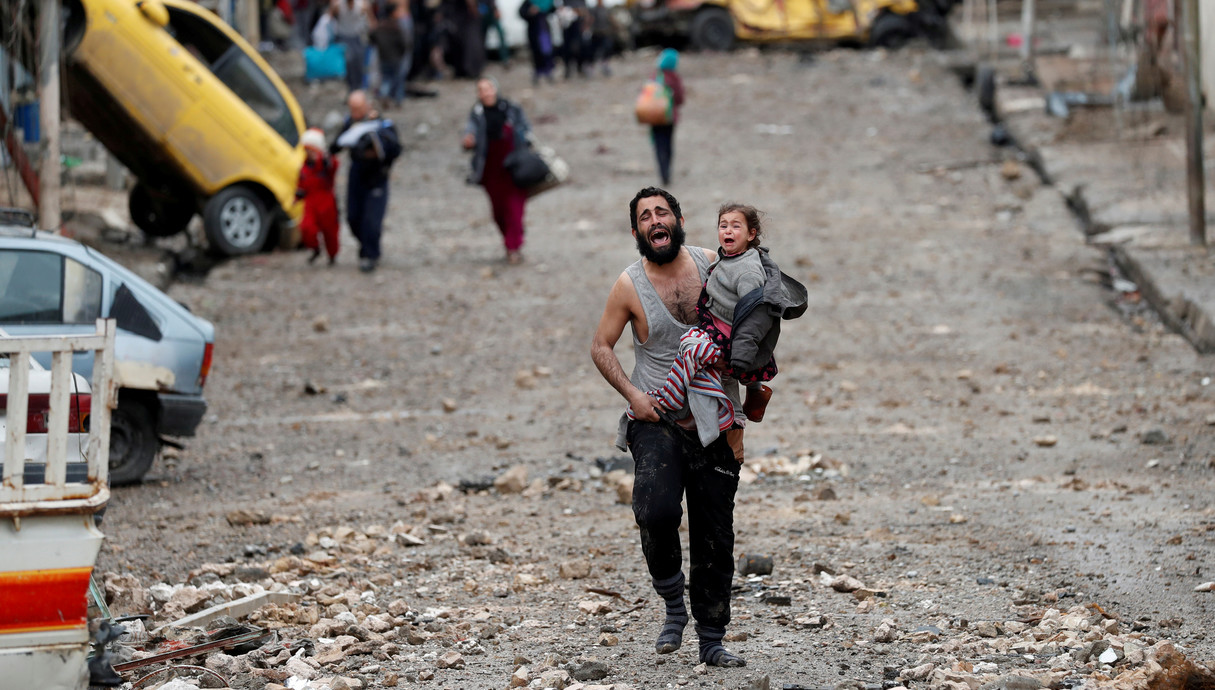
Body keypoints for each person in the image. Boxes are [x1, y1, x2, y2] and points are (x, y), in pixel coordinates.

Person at [590, 187, 747, 669]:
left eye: (662, 212)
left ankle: (711, 639)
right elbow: (601, 346)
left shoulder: (713, 265)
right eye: (644, 217)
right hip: (657, 418)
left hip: (714, 420)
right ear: (636, 231)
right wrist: (633, 397)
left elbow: (754, 327)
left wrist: (743, 413)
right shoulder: (629, 285)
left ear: (679, 219)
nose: (655, 221)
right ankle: (673, 605)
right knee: (655, 510)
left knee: (714, 535)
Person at [461, 77, 531, 265]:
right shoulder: (477, 113)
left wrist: (523, 138)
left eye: (488, 88)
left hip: (514, 168)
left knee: (514, 208)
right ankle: (512, 237)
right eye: (481, 90)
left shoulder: (511, 108)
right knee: (498, 212)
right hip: (491, 170)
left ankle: (513, 247)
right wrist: (468, 140)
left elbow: (525, 128)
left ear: (496, 89)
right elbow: (470, 132)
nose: (486, 93)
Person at [330, 90, 402, 272]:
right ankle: (366, 246)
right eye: (352, 109)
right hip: (357, 173)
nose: (355, 113)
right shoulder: (350, 123)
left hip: (377, 175)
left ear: (367, 105)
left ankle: (371, 255)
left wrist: (376, 144)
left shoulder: (383, 124)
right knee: (353, 217)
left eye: (358, 108)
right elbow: (335, 145)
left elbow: (396, 149)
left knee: (372, 220)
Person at [296, 127, 341, 265]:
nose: (308, 152)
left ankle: (332, 255)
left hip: (326, 201)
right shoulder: (304, 165)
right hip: (310, 201)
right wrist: (298, 195)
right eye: (306, 149)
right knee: (306, 227)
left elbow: (333, 166)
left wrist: (325, 158)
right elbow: (301, 183)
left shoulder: (325, 163)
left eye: (311, 149)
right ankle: (315, 248)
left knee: (330, 232)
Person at [649, 48, 684, 186]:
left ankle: (662, 171)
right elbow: (680, 98)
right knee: (668, 144)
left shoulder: (655, 76)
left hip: (654, 117)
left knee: (658, 145)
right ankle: (667, 172)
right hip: (669, 117)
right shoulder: (674, 78)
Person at [369, 3, 410, 107]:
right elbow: (403, 44)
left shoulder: (380, 26)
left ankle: (384, 95)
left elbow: (372, 38)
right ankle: (398, 100)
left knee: (386, 79)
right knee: (398, 80)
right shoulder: (396, 27)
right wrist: (401, 54)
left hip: (384, 58)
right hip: (396, 59)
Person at [333, 0, 372, 91]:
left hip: (358, 37)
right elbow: (329, 17)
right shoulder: (338, 5)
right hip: (343, 36)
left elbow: (371, 21)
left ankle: (358, 87)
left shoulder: (362, 5)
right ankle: (351, 87)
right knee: (348, 63)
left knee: (358, 63)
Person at [519, 0, 555, 85]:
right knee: (536, 52)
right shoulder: (529, 2)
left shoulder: (547, 2)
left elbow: (552, 9)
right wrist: (530, 12)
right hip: (533, 31)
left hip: (544, 29)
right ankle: (537, 72)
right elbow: (521, 13)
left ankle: (548, 71)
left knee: (547, 51)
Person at [587, 0, 614, 76]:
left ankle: (605, 65)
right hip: (596, 33)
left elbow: (610, 19)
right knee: (593, 51)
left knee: (608, 48)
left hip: (605, 33)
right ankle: (591, 67)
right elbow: (590, 20)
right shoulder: (594, 9)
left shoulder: (606, 9)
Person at [479, 0, 509, 66]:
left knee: (501, 34)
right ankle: (481, 60)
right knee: (481, 38)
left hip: (491, 12)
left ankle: (505, 58)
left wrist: (496, 10)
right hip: (483, 13)